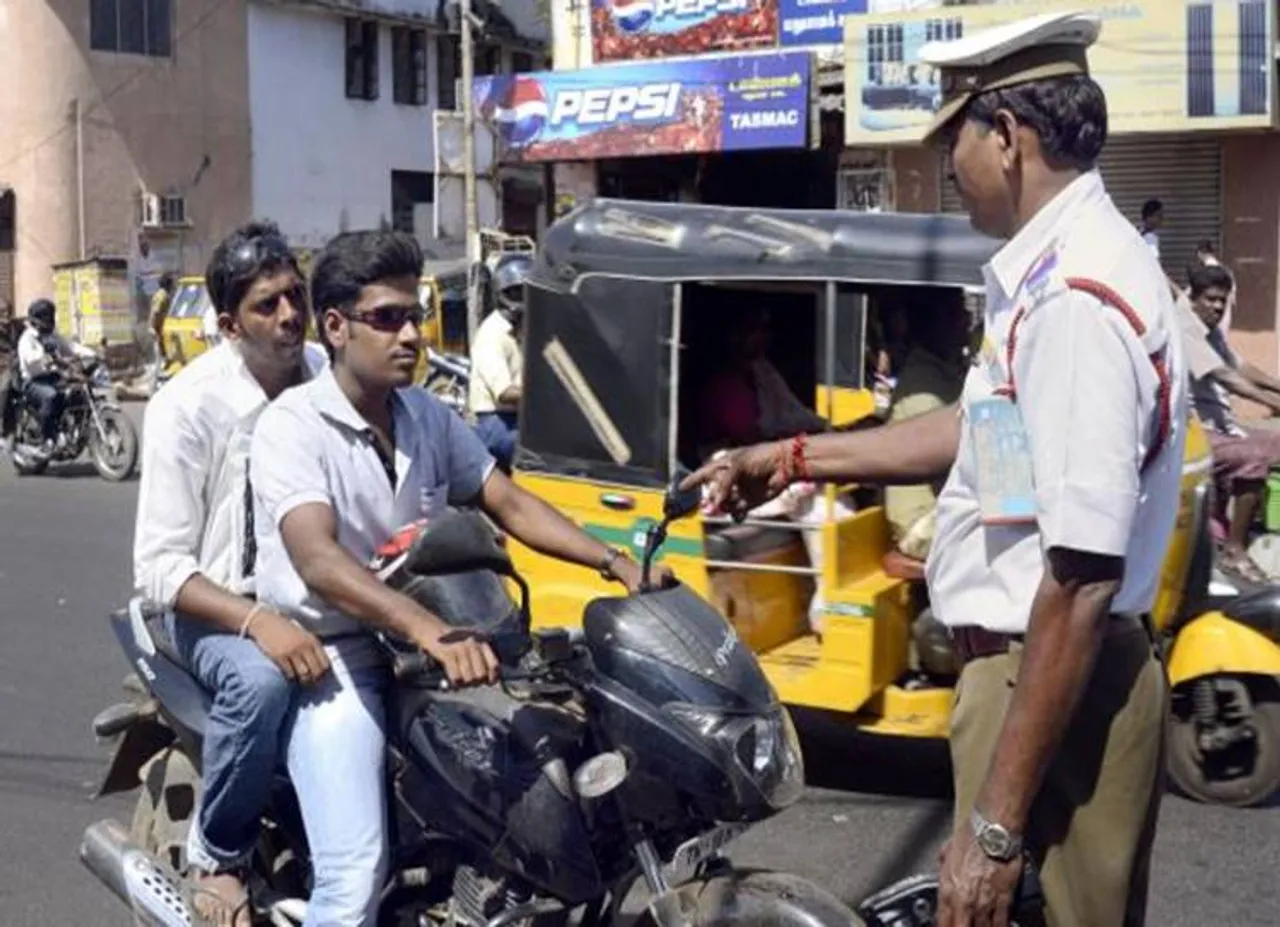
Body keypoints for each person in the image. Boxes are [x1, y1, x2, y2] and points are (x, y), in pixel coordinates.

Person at [685, 12, 1185, 926]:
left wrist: (992, 830)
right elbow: (975, 426)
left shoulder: (1075, 297)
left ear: (1007, 137)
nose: (949, 168)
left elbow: (1078, 580)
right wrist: (796, 455)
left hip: (1050, 675)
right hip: (1039, 671)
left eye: (954, 137)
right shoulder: (1053, 274)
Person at [249, 230, 670, 926]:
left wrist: (618, 563)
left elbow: (507, 500)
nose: (412, 334)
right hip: (338, 654)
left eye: (416, 316)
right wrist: (430, 631)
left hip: (432, 647)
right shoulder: (293, 426)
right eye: (388, 318)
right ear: (335, 326)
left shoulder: (425, 414)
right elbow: (317, 559)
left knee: (551, 783)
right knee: (353, 880)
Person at [133, 220, 329, 927]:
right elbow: (159, 565)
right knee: (259, 681)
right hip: (216, 612)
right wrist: (255, 621)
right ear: (226, 323)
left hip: (319, 599)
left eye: (295, 297)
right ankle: (218, 856)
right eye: (267, 304)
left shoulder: (325, 383)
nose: (289, 317)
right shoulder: (186, 406)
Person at [1179, 263, 1280, 580]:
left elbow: (1240, 366)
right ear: (1193, 298)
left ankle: (1241, 523)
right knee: (1254, 454)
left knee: (1273, 443)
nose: (1218, 307)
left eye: (1222, 301)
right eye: (1211, 299)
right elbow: (1224, 376)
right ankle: (1234, 550)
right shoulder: (1185, 327)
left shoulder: (1210, 332)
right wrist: (1271, 402)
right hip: (1193, 432)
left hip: (1220, 426)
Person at [883, 292, 969, 560]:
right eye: (956, 314)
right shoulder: (923, 389)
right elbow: (953, 465)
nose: (966, 321)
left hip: (946, 506)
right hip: (921, 524)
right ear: (931, 324)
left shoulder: (949, 374)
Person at [469, 255, 530, 469]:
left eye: (525, 292)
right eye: (515, 293)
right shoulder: (492, 334)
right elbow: (505, 393)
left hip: (519, 418)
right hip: (497, 422)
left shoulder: (522, 330)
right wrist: (544, 395)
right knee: (539, 459)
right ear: (501, 295)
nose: (521, 299)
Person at [16, 298, 94, 450]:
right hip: (34, 381)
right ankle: (48, 438)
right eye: (46, 316)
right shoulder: (28, 339)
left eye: (51, 316)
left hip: (54, 377)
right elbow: (30, 360)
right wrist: (48, 359)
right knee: (51, 396)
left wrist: (93, 354)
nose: (50, 320)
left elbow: (70, 347)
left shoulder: (53, 335)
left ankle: (75, 431)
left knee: (79, 393)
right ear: (36, 319)